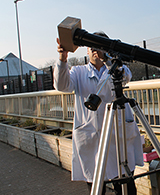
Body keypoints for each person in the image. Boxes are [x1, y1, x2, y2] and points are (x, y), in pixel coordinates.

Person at [54, 31, 144, 195]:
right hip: (92, 138)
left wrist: (107, 60)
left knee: (125, 185)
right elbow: (62, 85)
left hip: (117, 137)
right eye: (92, 47)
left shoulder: (115, 68)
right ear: (86, 51)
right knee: (96, 187)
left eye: (100, 46)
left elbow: (126, 76)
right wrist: (62, 58)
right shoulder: (78, 72)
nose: (95, 50)